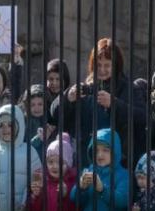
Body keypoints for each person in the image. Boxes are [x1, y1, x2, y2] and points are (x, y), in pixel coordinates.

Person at [51, 38, 147, 168]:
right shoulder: (86, 87)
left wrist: (114, 104)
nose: (102, 69)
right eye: (98, 65)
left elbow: (143, 117)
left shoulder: (128, 88)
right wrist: (68, 98)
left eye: (107, 65)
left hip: (118, 161)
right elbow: (54, 113)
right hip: (87, 159)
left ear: (115, 66)